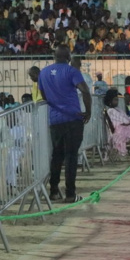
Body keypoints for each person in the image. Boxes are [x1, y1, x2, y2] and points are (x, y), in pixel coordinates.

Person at [38, 46, 91, 203]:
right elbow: (85, 90)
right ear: (68, 57)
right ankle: (70, 193)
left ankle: (53, 191)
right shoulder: (71, 71)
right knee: (71, 156)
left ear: (54, 56)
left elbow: (43, 95)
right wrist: (88, 111)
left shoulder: (44, 72)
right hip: (72, 119)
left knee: (57, 155)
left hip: (54, 119)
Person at [104, 88, 130, 158]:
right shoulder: (111, 111)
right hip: (121, 131)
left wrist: (127, 122)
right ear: (110, 101)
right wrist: (127, 122)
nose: (117, 101)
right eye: (115, 100)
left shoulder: (118, 109)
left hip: (127, 128)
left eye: (117, 100)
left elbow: (128, 119)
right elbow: (126, 120)